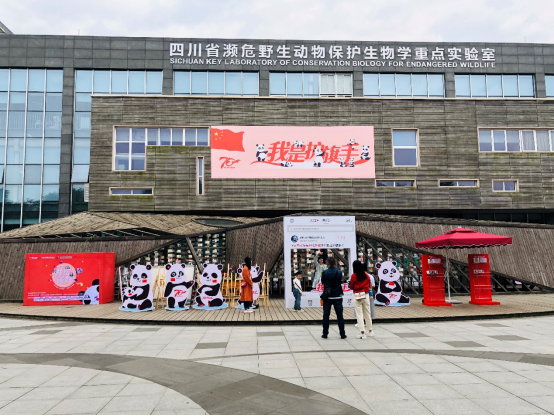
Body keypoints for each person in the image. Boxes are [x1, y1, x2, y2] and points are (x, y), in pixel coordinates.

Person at [321, 258, 346, 339]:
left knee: (326, 315)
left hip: (328, 296)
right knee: (340, 316)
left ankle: (325, 333)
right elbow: (339, 282)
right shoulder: (339, 272)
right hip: (337, 296)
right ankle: (342, 334)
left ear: (327, 263)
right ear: (335, 263)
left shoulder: (325, 272)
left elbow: (322, 282)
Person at [350, 260, 374, 339]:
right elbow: (369, 284)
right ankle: (370, 331)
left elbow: (351, 286)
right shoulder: (366, 275)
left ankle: (362, 332)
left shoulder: (354, 276)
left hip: (357, 295)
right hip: (366, 295)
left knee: (359, 314)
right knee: (367, 313)